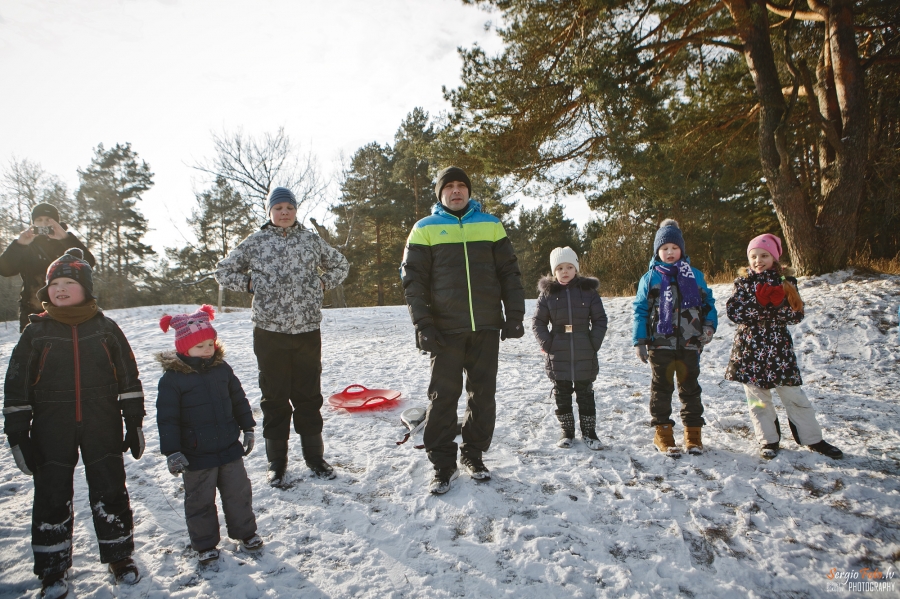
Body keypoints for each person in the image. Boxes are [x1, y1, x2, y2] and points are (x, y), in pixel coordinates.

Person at [3, 248, 145, 598]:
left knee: (110, 488)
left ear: (86, 288)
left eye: (69, 282)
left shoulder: (107, 329)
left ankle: (119, 555)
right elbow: (17, 385)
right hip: (52, 426)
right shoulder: (36, 332)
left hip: (102, 422)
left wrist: (134, 421)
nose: (60, 289)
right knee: (51, 493)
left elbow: (129, 377)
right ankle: (52, 568)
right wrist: (18, 432)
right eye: (54, 284)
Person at [400, 166, 525, 494]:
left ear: (469, 191)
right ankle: (443, 465)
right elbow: (413, 281)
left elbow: (509, 273)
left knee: (483, 396)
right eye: (449, 186)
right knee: (443, 398)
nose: (456, 191)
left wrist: (514, 315)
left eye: (461, 185)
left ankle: (473, 454)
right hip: (444, 330)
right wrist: (423, 324)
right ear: (440, 193)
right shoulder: (424, 228)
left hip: (485, 326)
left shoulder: (491, 225)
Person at [216, 187, 349, 488]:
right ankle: (277, 463)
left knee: (308, 396)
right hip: (269, 331)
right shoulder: (256, 241)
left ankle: (315, 458)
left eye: (289, 207)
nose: (284, 212)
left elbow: (341, 264)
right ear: (270, 212)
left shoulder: (310, 240)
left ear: (296, 210)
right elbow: (223, 271)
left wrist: (322, 283)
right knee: (274, 397)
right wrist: (250, 284)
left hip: (307, 330)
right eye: (278, 208)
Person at [156, 305, 263, 565]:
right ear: (184, 348)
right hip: (196, 453)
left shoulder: (222, 369)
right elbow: (167, 418)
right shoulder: (173, 379)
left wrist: (248, 428)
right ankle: (204, 544)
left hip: (228, 447)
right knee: (200, 500)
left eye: (210, 344)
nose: (207, 350)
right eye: (199, 346)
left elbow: (238, 399)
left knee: (239, 493)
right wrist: (173, 451)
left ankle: (246, 532)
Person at [724, 234, 843, 459]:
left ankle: (813, 438)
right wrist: (758, 303)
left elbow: (796, 315)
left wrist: (779, 304)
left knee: (794, 395)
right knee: (757, 399)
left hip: (779, 350)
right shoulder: (743, 283)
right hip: (749, 350)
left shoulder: (786, 282)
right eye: (754, 256)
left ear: (775, 258)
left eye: (764, 255)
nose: (758, 260)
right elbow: (734, 312)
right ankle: (768, 440)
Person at [632, 219, 717, 457]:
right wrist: (640, 341)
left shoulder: (695, 276)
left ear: (682, 249)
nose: (670, 252)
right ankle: (663, 433)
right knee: (661, 388)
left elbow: (708, 304)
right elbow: (640, 310)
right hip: (660, 344)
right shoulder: (651, 278)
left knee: (690, 388)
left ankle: (693, 434)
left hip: (691, 343)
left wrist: (709, 326)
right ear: (657, 252)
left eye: (674, 247)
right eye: (664, 248)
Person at [532, 247, 608, 449]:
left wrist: (593, 343)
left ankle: (590, 433)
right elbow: (538, 322)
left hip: (584, 349)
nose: (564, 271)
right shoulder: (547, 294)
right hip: (558, 352)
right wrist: (547, 343)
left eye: (569, 267)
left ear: (576, 268)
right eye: (559, 268)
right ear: (554, 271)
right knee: (562, 393)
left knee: (585, 393)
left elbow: (600, 319)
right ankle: (567, 432)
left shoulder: (588, 292)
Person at [0, 203, 95, 332]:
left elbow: (88, 263)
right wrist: (19, 244)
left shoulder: (66, 242)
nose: (43, 224)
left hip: (68, 308)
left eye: (48, 219)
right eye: (39, 220)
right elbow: (5, 270)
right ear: (33, 223)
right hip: (33, 310)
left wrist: (65, 238)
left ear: (56, 222)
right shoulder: (27, 246)